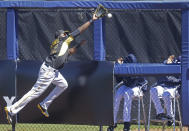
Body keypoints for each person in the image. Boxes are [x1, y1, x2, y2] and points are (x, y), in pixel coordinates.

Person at [4, 13, 99, 124]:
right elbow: (79, 30)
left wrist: (78, 45)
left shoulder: (61, 45)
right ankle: (11, 109)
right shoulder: (62, 41)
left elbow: (70, 52)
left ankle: (44, 104)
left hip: (53, 72)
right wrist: (91, 20)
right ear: (60, 36)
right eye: (65, 34)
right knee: (34, 92)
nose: (66, 35)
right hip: (48, 71)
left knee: (64, 85)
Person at [107, 54, 148, 131]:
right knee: (118, 93)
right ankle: (113, 122)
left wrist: (123, 68)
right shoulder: (125, 66)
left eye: (128, 63)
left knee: (127, 93)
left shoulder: (136, 67)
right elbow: (119, 80)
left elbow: (132, 82)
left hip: (139, 87)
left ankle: (126, 124)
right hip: (128, 87)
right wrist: (119, 67)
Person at [150, 55, 181, 125]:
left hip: (173, 87)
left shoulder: (181, 66)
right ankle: (160, 112)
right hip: (163, 86)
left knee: (166, 94)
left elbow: (179, 81)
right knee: (153, 90)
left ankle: (170, 117)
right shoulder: (166, 64)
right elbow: (162, 78)